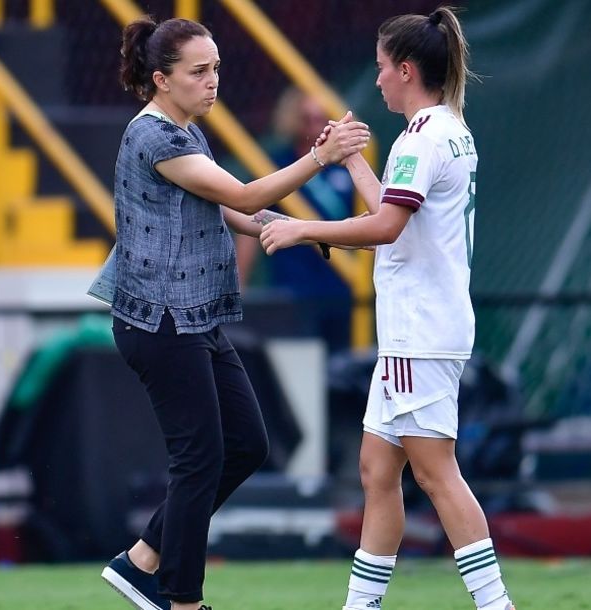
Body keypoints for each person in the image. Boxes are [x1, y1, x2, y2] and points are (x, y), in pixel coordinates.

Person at [97, 15, 369, 610]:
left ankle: (142, 561)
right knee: (199, 458)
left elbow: (231, 210)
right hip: (159, 321)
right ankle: (182, 600)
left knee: (246, 443)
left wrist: (300, 230)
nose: (212, 81)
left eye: (216, 68)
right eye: (199, 72)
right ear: (162, 79)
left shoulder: (186, 130)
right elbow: (243, 195)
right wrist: (321, 156)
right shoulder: (156, 136)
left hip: (191, 317)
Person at [260, 7, 514, 610]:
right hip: (419, 329)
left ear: (405, 68)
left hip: (419, 332)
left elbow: (386, 228)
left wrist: (301, 230)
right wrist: (351, 161)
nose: (376, 81)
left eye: (380, 68)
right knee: (379, 468)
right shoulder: (448, 128)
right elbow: (395, 219)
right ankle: (361, 605)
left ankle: (496, 604)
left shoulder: (422, 137)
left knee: (435, 473)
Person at [228, 87, 356, 348]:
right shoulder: (276, 165)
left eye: (322, 120)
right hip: (293, 287)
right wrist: (239, 285)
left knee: (341, 368)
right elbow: (250, 217)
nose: (315, 127)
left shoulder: (349, 167)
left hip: (341, 286)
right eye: (307, 119)